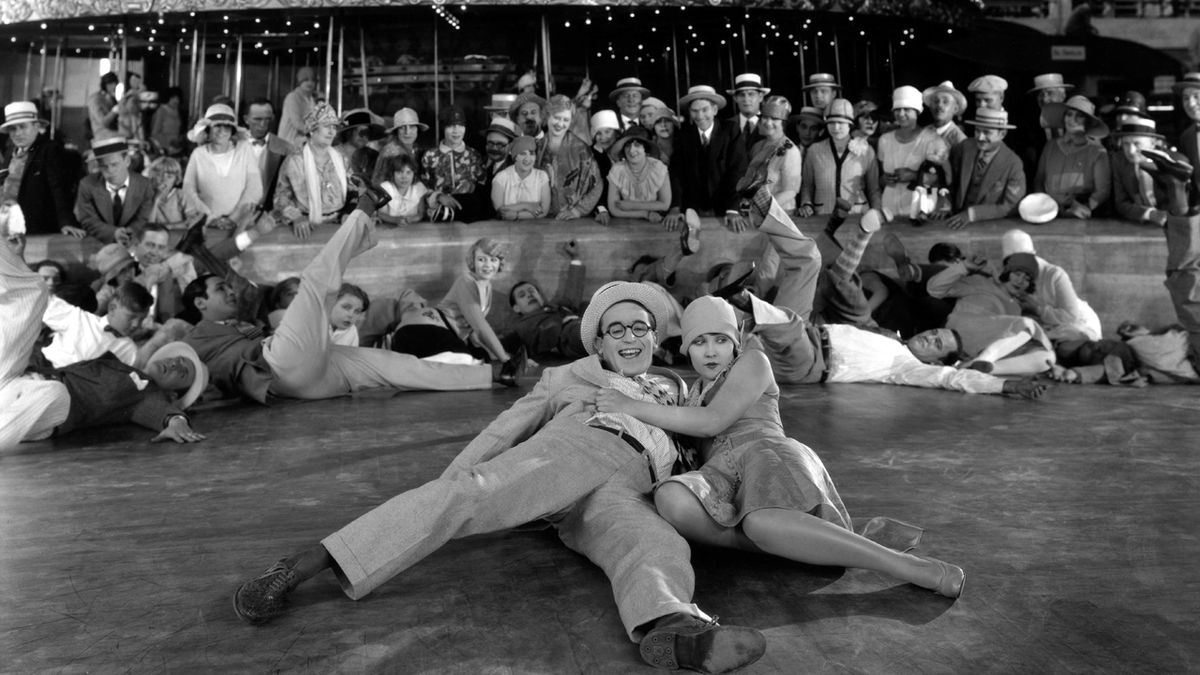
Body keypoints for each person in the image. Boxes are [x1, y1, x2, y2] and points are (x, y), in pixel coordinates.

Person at [231, 279, 768, 675]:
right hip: (576, 449)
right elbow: (504, 428)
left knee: (650, 541)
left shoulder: (676, 387)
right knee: (473, 495)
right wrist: (452, 485)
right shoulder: (572, 376)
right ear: (600, 344)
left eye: (640, 328)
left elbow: (707, 443)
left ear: (654, 338)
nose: (630, 337)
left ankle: (673, 629)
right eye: (616, 330)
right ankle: (304, 564)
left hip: (633, 487)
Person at [594, 297, 966, 603]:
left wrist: (629, 406)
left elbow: (711, 422)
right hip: (723, 476)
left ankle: (903, 565)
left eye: (720, 339)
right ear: (686, 348)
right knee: (671, 499)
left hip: (767, 456)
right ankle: (790, 544)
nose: (710, 351)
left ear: (736, 341)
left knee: (760, 520)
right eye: (699, 342)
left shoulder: (753, 362)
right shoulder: (692, 392)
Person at [713, 188, 1047, 398]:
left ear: (934, 360)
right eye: (935, 333)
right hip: (806, 332)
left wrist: (1005, 385)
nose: (930, 337)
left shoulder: (907, 368)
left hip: (806, 363)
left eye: (937, 344)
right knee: (809, 260)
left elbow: (954, 379)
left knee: (789, 324)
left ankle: (741, 299)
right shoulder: (888, 336)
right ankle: (763, 202)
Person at [182, 197, 511, 404]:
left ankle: (493, 376)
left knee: (398, 366)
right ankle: (362, 212)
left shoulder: (248, 305)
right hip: (279, 366)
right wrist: (174, 414)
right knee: (315, 283)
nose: (230, 290)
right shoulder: (193, 337)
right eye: (220, 289)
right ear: (199, 304)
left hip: (316, 376)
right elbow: (168, 373)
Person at [666, 85, 749, 235]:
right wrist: (675, 207)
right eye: (694, 111)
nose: (700, 115)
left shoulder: (730, 130)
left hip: (724, 208)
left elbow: (738, 171)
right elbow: (676, 174)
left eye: (705, 110)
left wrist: (733, 209)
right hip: (692, 209)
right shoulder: (684, 135)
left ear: (715, 110)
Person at [183, 103, 263, 245]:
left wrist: (233, 218)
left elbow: (254, 188)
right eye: (217, 126)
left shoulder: (244, 149)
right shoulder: (198, 154)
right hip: (205, 226)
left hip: (240, 224)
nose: (222, 131)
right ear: (208, 130)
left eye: (227, 127)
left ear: (232, 131)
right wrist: (210, 218)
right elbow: (188, 189)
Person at [1, 101, 78, 237]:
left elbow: (59, 189)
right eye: (13, 129)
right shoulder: (10, 151)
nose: (18, 133)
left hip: (33, 228)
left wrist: (66, 222)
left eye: (23, 127)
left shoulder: (50, 149)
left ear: (36, 126)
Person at [939, 108, 1025, 229]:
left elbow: (1011, 205)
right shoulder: (965, 147)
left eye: (987, 132)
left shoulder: (1013, 164)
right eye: (977, 131)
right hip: (954, 222)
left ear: (1002, 134)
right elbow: (947, 178)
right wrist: (944, 201)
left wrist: (972, 214)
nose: (980, 137)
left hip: (989, 228)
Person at [437, 238, 518, 364]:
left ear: (499, 263)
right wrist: (504, 358)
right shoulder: (466, 281)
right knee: (467, 360)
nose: (488, 265)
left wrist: (500, 355)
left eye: (493, 260)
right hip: (437, 329)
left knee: (482, 358)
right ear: (473, 261)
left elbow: (474, 331)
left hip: (454, 335)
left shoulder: (487, 286)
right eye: (481, 259)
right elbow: (480, 326)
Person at [504, 240, 588, 360]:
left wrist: (575, 258)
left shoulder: (556, 307)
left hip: (584, 326)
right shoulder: (521, 327)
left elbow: (573, 292)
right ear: (516, 308)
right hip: (568, 338)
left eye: (532, 291)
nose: (529, 295)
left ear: (540, 297)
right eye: (522, 295)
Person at [275, 102, 348, 239]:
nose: (332, 132)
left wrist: (350, 212)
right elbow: (281, 197)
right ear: (312, 130)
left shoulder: (341, 158)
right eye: (326, 126)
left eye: (334, 127)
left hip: (340, 224)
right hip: (306, 226)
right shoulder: (295, 161)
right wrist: (296, 217)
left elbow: (354, 188)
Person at [799, 98, 881, 219]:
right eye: (831, 123)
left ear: (850, 125)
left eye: (841, 123)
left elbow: (873, 189)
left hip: (857, 215)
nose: (836, 128)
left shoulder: (866, 151)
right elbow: (807, 185)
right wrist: (806, 203)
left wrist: (876, 213)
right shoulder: (814, 151)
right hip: (822, 214)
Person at [877, 86, 950, 220]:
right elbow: (880, 178)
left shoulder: (932, 140)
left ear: (917, 112)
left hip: (919, 209)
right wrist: (884, 179)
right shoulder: (885, 140)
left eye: (907, 109)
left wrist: (914, 176)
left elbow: (946, 179)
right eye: (897, 109)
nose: (901, 114)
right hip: (889, 208)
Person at [1033, 95, 1111, 219]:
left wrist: (1085, 207)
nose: (1072, 119)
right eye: (1069, 114)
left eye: (1079, 116)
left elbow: (1102, 191)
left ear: (1088, 121)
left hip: (1080, 218)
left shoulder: (1098, 152)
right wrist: (1044, 205)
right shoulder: (1050, 146)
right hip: (1048, 215)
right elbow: (1039, 180)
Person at [74, 137, 154, 244]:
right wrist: (114, 233)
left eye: (114, 164)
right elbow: (88, 219)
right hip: (98, 244)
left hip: (135, 243)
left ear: (127, 161)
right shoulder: (87, 185)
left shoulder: (144, 185)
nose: (110, 170)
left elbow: (143, 218)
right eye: (104, 166)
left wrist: (130, 232)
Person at [537, 95, 602, 220]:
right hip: (540, 219)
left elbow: (597, 185)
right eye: (556, 117)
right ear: (547, 116)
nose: (560, 124)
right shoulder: (537, 147)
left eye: (566, 120)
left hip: (572, 220)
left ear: (571, 121)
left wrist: (578, 211)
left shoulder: (581, 148)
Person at [422, 106, 486, 222]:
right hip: (439, 214)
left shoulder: (474, 155)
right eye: (451, 126)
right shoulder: (430, 156)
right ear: (443, 127)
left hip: (470, 216)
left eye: (460, 125)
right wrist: (438, 196)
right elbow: (422, 188)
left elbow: (482, 187)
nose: (456, 130)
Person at [737, 97, 801, 213]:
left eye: (774, 118)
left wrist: (764, 208)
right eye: (765, 117)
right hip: (755, 214)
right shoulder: (757, 147)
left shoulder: (790, 150)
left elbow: (790, 191)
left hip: (781, 213)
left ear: (784, 122)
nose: (768, 122)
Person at [1110, 117, 1171, 226]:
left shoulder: (1171, 164)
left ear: (1152, 143)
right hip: (1136, 226)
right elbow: (1121, 203)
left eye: (1137, 144)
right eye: (1126, 144)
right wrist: (1150, 214)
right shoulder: (1119, 162)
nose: (1131, 151)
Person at [607, 126, 671, 222]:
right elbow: (614, 209)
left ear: (645, 149)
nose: (631, 150)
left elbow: (665, 204)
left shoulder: (658, 168)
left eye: (637, 145)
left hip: (656, 221)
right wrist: (645, 214)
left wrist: (631, 205)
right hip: (624, 222)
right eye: (628, 146)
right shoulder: (617, 170)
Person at [242, 98, 295, 213]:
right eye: (257, 119)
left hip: (270, 214)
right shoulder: (234, 145)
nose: (263, 124)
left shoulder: (286, 149)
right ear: (246, 119)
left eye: (268, 119)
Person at [491, 136, 551, 220]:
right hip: (506, 227)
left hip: (536, 226)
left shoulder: (542, 176)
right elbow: (501, 210)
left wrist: (517, 215)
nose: (528, 158)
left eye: (531, 153)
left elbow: (543, 211)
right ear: (515, 157)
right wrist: (527, 206)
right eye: (523, 154)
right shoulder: (501, 178)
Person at [371, 107, 427, 186]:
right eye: (402, 128)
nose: (407, 132)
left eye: (412, 127)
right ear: (396, 131)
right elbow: (379, 184)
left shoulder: (417, 149)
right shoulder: (390, 152)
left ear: (417, 129)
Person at [477, 116, 518, 220]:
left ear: (510, 145)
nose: (494, 148)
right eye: (490, 143)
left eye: (500, 144)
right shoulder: (479, 163)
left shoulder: (516, 169)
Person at [146, 156, 199, 230]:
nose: (164, 180)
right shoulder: (145, 195)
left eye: (169, 177)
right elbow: (148, 226)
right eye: (159, 175)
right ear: (151, 176)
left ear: (176, 179)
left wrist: (169, 227)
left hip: (178, 234)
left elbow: (193, 221)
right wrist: (156, 200)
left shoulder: (182, 195)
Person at [376, 153, 428, 225]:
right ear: (392, 174)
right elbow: (382, 214)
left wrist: (410, 220)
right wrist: (396, 220)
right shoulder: (386, 188)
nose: (404, 177)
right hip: (388, 229)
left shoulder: (418, 187)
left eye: (408, 172)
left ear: (414, 174)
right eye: (399, 172)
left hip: (414, 229)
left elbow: (420, 214)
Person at [335, 108, 385, 179]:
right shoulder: (333, 154)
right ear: (349, 132)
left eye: (367, 133)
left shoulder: (372, 156)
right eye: (362, 132)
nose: (364, 137)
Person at [590, 110, 620, 224]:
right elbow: (592, 186)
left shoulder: (626, 151)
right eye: (598, 133)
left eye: (607, 131)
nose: (603, 137)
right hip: (602, 210)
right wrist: (601, 209)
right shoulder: (590, 155)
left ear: (616, 132)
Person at [277, 66, 317, 148]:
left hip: (302, 142)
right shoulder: (293, 97)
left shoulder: (311, 99)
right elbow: (297, 123)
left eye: (312, 80)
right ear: (300, 82)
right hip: (288, 142)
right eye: (306, 80)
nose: (310, 83)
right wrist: (316, 132)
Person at [727, 73, 767, 152]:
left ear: (760, 97)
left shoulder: (770, 124)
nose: (746, 99)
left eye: (751, 94)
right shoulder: (727, 125)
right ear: (735, 98)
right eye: (742, 95)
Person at [923, 81, 968, 148]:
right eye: (936, 101)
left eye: (945, 102)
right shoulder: (924, 131)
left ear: (955, 109)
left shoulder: (960, 141)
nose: (939, 105)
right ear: (930, 106)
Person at [329, 283, 368, 347]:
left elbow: (352, 352)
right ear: (331, 304)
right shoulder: (316, 325)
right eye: (346, 307)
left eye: (357, 311)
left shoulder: (352, 332)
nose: (351, 315)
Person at [150, 87, 185, 157]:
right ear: (168, 98)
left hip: (177, 149)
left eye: (177, 99)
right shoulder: (161, 111)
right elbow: (154, 133)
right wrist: (166, 147)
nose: (176, 101)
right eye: (173, 98)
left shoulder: (178, 112)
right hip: (164, 149)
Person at [86, 72, 120, 140]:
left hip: (113, 131)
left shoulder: (112, 98)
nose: (114, 86)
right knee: (127, 135)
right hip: (101, 133)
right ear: (105, 85)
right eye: (111, 84)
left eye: (115, 84)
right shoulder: (95, 99)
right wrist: (114, 111)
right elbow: (103, 122)